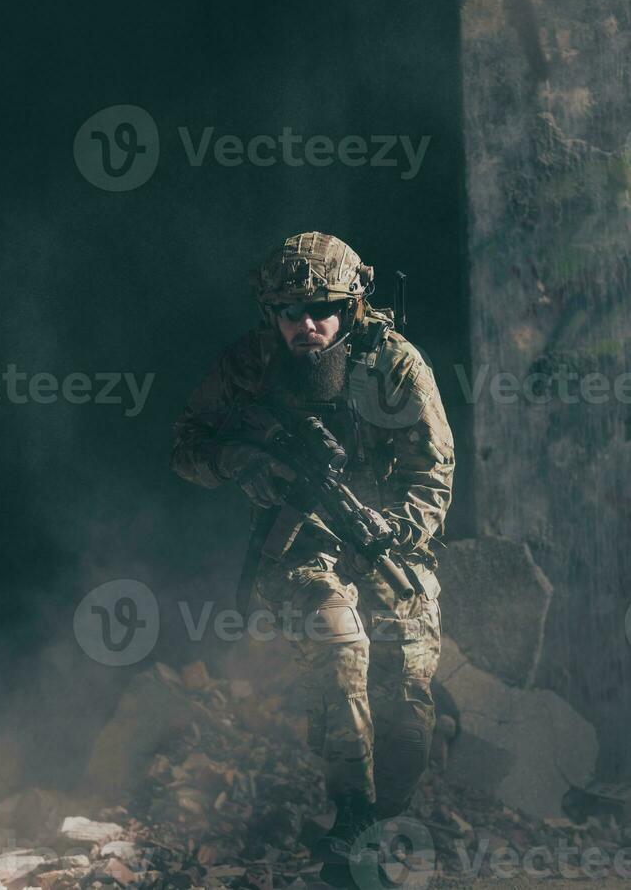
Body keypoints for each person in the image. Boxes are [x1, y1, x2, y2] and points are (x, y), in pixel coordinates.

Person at [172, 231, 454, 878]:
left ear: (351, 306)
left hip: (382, 535)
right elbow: (186, 444)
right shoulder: (249, 364)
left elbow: (433, 470)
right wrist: (237, 461)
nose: (307, 324)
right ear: (271, 314)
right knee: (339, 645)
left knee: (408, 684)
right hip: (297, 541)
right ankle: (351, 821)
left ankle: (389, 817)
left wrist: (396, 530)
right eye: (291, 312)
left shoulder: (393, 364)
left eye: (323, 308)